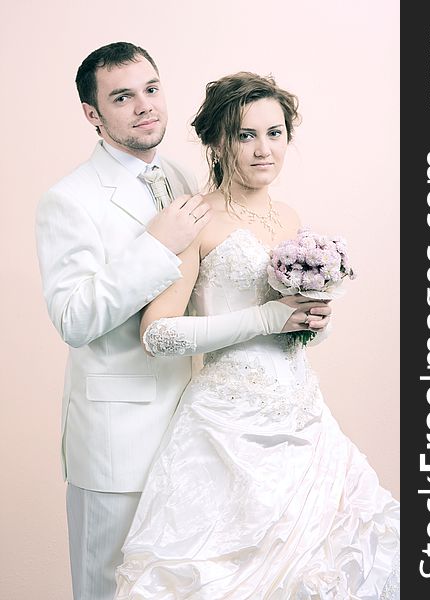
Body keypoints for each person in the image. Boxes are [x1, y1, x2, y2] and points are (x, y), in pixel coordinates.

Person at [35, 44, 331, 600]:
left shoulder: (178, 176)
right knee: (110, 586)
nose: (144, 106)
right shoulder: (68, 200)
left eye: (151, 88)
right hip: (118, 437)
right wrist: (155, 247)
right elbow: (73, 319)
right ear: (92, 114)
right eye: (122, 97)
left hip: (201, 428)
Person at [113, 72, 400, 599]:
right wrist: (266, 321)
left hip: (303, 414)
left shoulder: (288, 216)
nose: (264, 149)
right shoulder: (193, 218)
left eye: (275, 132)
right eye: (246, 135)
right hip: (226, 421)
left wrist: (311, 325)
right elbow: (157, 333)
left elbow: (287, 327)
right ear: (217, 144)